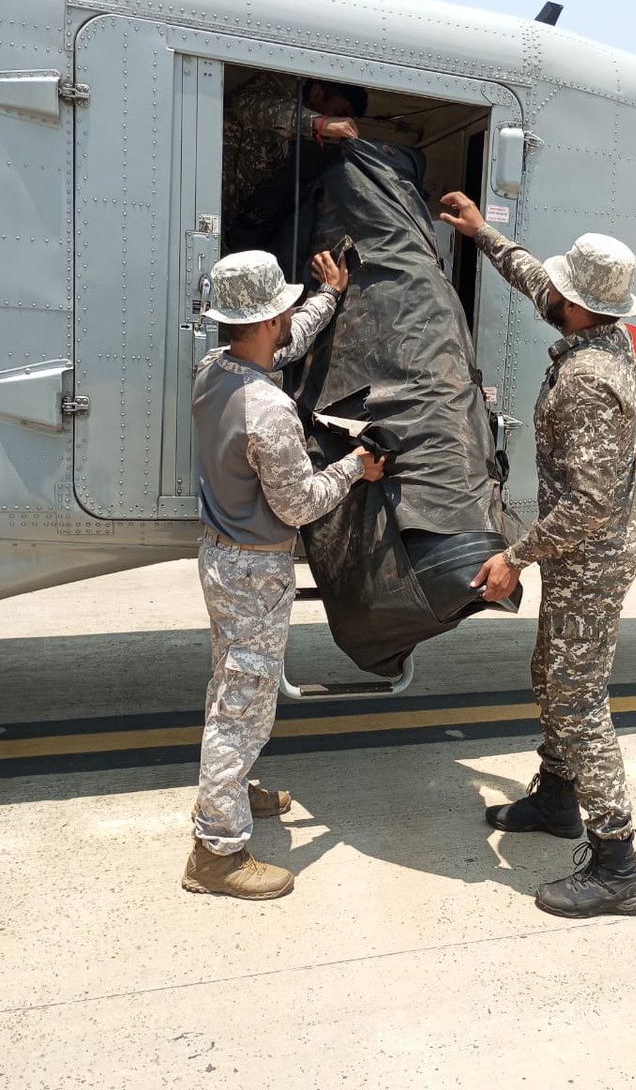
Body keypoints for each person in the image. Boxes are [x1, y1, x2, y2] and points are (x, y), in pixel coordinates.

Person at [439, 191, 636, 920]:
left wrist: (516, 557)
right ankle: (557, 798)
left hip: (589, 556)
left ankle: (617, 864)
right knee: (549, 675)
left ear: (579, 306)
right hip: (582, 553)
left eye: (559, 287)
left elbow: (589, 505)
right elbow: (538, 279)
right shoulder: (598, 335)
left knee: (578, 699)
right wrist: (482, 234)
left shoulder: (590, 382)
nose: (546, 289)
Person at [182, 247, 385, 900]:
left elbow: (285, 343)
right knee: (242, 710)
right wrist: (357, 467)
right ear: (271, 314)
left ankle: (231, 793)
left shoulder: (214, 369)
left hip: (221, 556)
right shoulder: (267, 411)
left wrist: (328, 297)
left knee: (230, 686)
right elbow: (300, 504)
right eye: (286, 308)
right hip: (254, 569)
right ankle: (216, 851)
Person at [222, 75, 368, 251]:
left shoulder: (289, 137)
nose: (340, 123)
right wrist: (317, 122)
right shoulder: (278, 85)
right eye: (339, 114)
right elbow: (247, 104)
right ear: (316, 94)